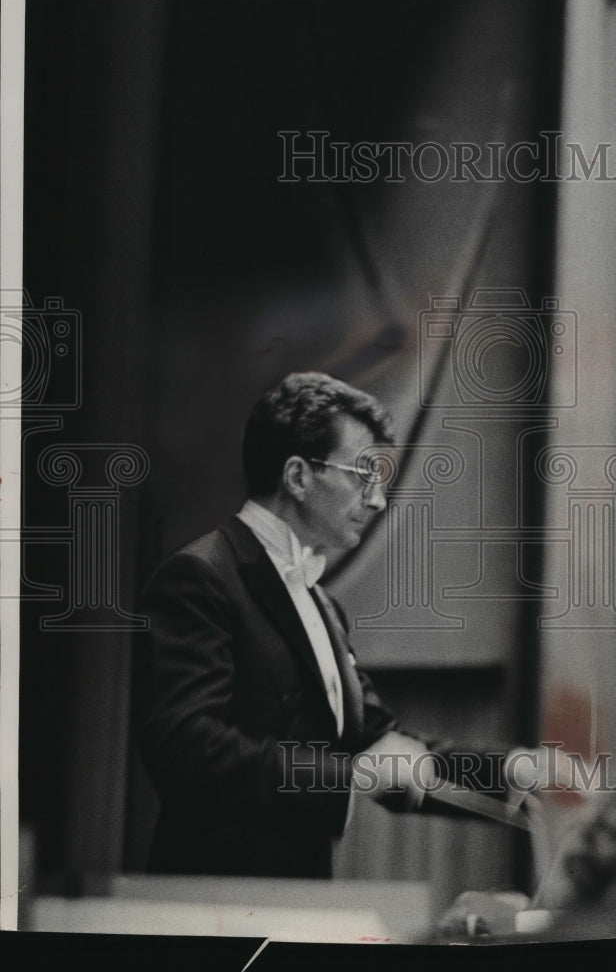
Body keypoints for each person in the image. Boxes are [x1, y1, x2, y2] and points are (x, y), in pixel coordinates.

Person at [135, 371, 540, 878]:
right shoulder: (199, 577)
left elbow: (381, 743)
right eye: (362, 475)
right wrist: (350, 775)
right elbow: (185, 749)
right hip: (214, 900)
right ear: (299, 477)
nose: (377, 500)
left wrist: (517, 772)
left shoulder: (322, 605)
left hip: (301, 898)